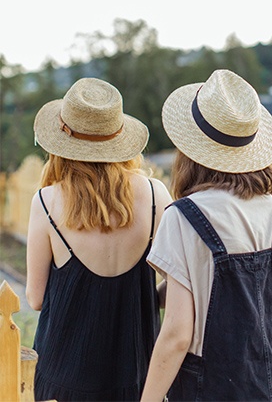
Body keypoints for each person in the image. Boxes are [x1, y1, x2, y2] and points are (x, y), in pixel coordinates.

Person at [141, 69, 272, 401]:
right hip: (271, 388)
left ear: (190, 150)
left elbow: (177, 334)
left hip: (208, 389)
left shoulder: (183, 217)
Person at [26, 77, 172, 401]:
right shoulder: (154, 195)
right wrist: (145, 294)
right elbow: (183, 283)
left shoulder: (46, 202)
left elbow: (35, 299)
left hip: (61, 380)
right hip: (138, 378)